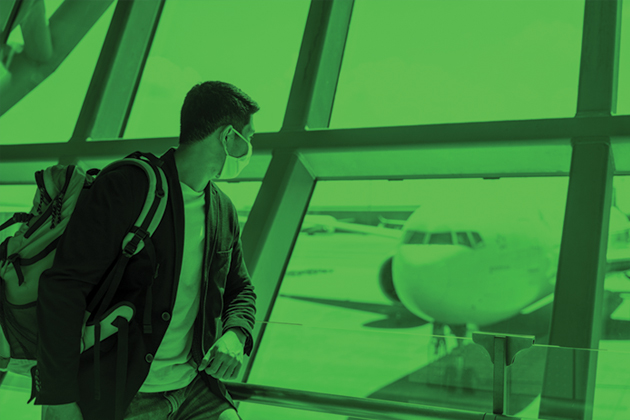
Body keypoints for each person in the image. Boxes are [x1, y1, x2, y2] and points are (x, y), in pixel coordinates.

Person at [34, 81, 259, 420]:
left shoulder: (223, 210)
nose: (250, 148)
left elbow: (241, 288)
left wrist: (235, 333)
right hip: (124, 395)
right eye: (249, 137)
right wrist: (59, 398)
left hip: (195, 389)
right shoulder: (129, 185)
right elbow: (64, 288)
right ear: (229, 137)